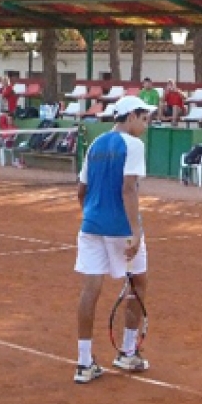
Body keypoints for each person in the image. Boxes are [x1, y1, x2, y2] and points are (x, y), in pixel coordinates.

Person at [74, 95, 154, 384]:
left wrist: (93, 216)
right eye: (144, 119)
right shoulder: (133, 145)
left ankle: (84, 364)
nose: (146, 125)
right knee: (138, 283)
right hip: (120, 228)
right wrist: (135, 231)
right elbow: (128, 189)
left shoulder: (95, 144)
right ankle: (128, 352)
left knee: (90, 289)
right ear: (131, 116)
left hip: (91, 225)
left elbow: (81, 191)